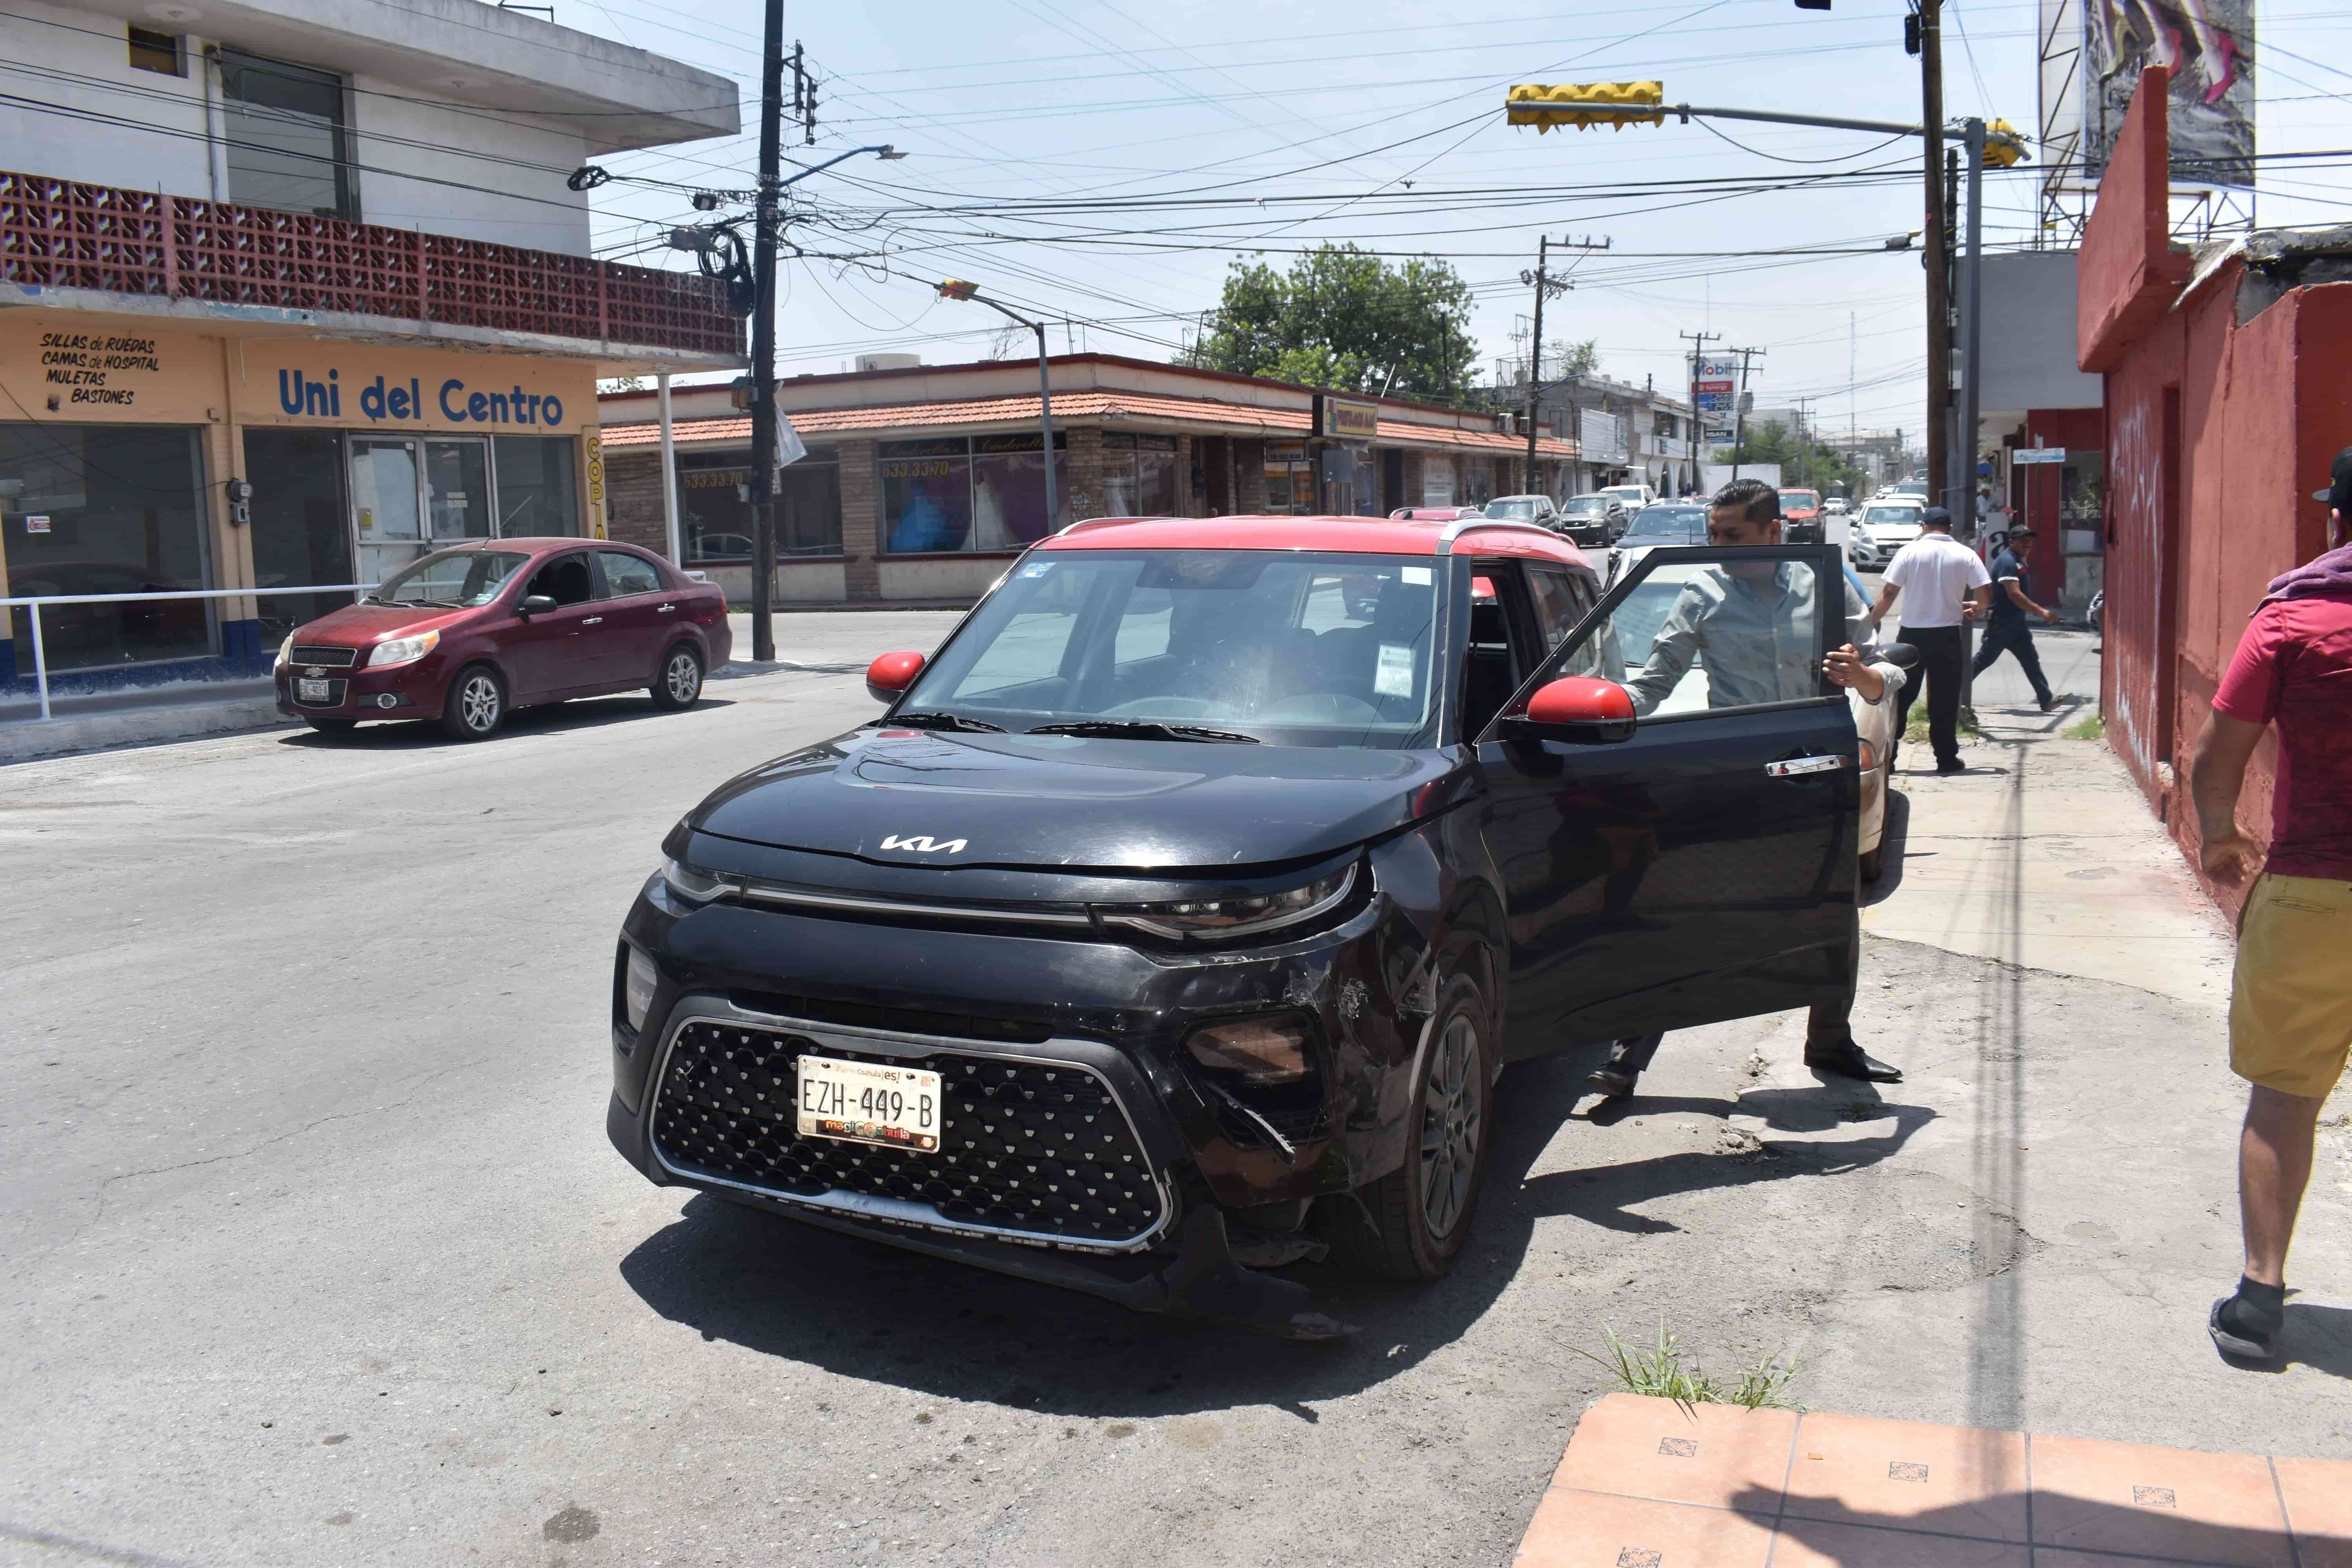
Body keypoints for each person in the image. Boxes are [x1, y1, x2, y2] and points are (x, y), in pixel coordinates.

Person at [1589, 478, 1906, 1097]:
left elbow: (1883, 668)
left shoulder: (1824, 584)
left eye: (1732, 534)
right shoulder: (1700, 589)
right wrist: (1593, 712)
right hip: (1734, 770)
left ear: (1773, 532)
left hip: (1814, 772)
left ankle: (1832, 1044)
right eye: (1713, 534)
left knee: (1833, 913)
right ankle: (1628, 1056)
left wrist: (1867, 677)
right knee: (1684, 907)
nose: (1718, 545)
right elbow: (1653, 685)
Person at [2194, 446, 2352, 1363]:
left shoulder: (2291, 619)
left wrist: (2219, 833)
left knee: (2285, 1095)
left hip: (2312, 892)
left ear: (2336, 519)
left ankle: (2259, 1298)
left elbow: (2219, 755)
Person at [1869, 506, 1992, 775]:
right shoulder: (1965, 554)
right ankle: (1946, 759)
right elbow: (1985, 592)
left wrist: (1870, 623)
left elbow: (1890, 592)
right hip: (1948, 637)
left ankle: (1889, 758)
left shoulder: (1909, 552)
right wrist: (1978, 607)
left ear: (1924, 526)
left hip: (1911, 637)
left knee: (1900, 697)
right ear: (1949, 529)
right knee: (1945, 700)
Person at [1973, 523, 2061, 711]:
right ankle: (1952, 695)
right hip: (2002, 623)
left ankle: (2046, 700)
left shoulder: (2017, 560)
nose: (2027, 543)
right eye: (2022, 539)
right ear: (2011, 541)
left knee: (2031, 660)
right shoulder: (2007, 562)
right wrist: (2042, 612)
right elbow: (2015, 594)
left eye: (2029, 539)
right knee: (1982, 661)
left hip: (2016, 624)